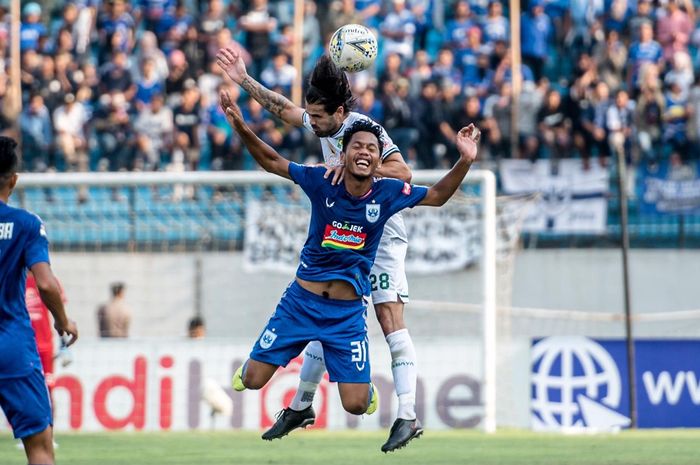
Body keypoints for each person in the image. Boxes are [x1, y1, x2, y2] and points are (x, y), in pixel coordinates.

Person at [219, 85, 480, 448]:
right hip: (300, 304)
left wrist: (465, 160)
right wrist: (242, 126)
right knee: (250, 379)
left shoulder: (388, 193)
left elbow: (435, 196)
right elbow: (274, 161)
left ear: (378, 161)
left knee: (357, 405)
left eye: (372, 149)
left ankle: (346, 395)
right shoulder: (322, 179)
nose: (364, 152)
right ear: (343, 153)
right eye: (357, 146)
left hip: (345, 314)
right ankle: (299, 400)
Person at [0, 136, 79, 465]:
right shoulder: (26, 224)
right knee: (40, 448)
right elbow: (45, 284)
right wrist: (63, 321)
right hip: (11, 345)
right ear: (14, 180)